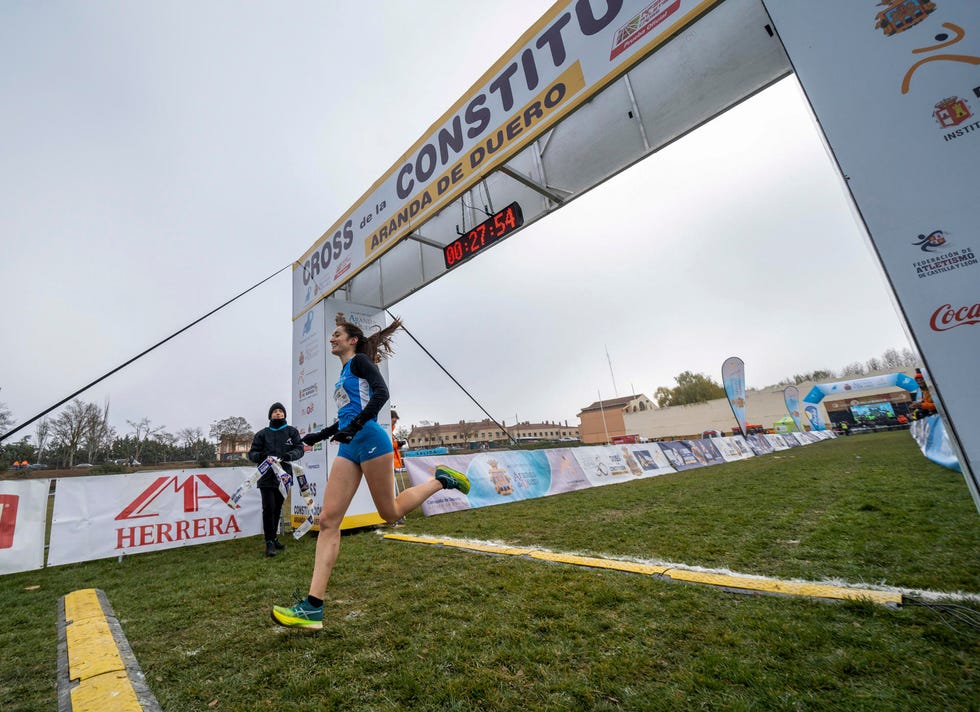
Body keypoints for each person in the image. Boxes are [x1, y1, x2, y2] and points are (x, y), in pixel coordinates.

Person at [271, 317, 470, 629]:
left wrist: (353, 426)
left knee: (389, 512)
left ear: (352, 340)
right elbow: (345, 416)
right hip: (350, 444)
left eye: (337, 335)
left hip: (372, 438)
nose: (332, 339)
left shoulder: (361, 361)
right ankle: (313, 607)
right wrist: (318, 436)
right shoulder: (342, 374)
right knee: (328, 521)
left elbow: (381, 394)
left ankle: (440, 480)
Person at [247, 402, 304, 558]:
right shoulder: (261, 434)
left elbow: (299, 450)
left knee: (278, 508)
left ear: (284, 414)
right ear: (270, 415)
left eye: (281, 411)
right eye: (275, 411)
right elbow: (251, 454)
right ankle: (269, 542)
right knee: (269, 508)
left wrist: (289, 456)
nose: (278, 413)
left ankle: (274, 538)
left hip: (283, 477)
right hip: (266, 476)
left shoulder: (292, 432)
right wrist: (262, 456)